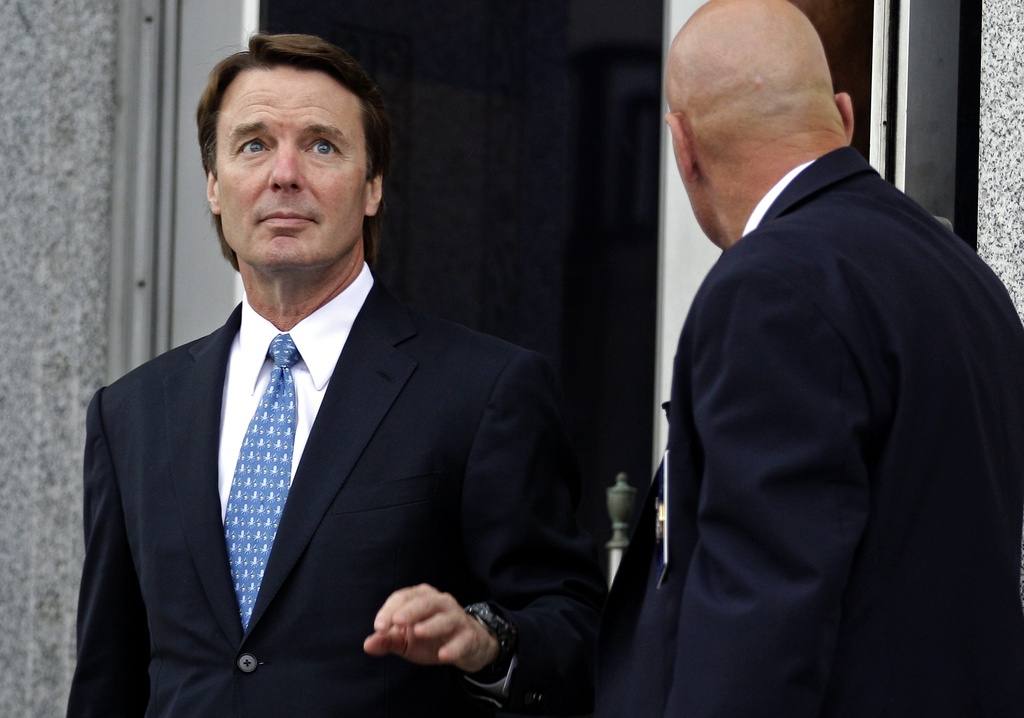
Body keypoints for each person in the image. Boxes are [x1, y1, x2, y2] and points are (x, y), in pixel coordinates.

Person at [67, 33, 606, 717]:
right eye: (253, 145)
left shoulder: (484, 392)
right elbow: (108, 677)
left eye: (322, 146)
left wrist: (486, 639)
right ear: (213, 186)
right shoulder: (132, 413)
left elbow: (577, 632)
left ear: (373, 186)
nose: (284, 173)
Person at [596, 0, 1024, 715]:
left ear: (684, 146)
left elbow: (757, 620)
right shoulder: (970, 281)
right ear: (845, 119)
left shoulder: (771, 288)